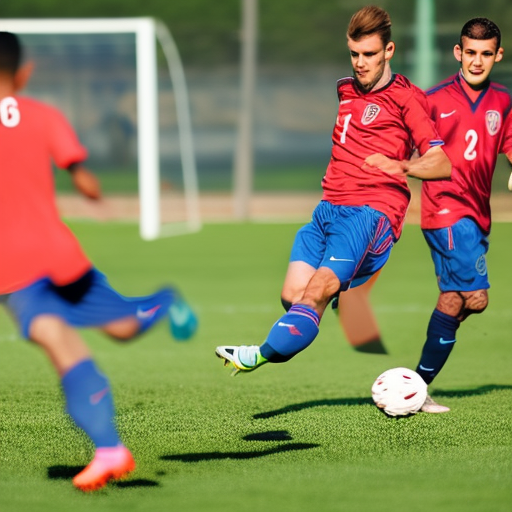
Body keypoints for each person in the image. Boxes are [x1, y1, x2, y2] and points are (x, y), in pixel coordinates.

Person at [0, 32, 197, 492]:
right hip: (58, 253)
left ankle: (110, 449)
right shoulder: (44, 115)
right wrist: (92, 192)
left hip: (13, 268)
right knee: (121, 328)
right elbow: (83, 178)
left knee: (58, 340)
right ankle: (162, 304)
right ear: (24, 74)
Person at [215, 7, 451, 378]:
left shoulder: (408, 98)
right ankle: (343, 289)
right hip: (327, 211)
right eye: (354, 54)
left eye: (369, 55)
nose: (360, 63)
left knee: (315, 294)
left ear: (389, 51)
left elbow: (441, 163)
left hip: (369, 215)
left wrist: (403, 166)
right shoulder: (344, 89)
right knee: (293, 297)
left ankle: (255, 355)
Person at [413, 18, 512, 413]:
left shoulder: (503, 100)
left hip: (476, 214)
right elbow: (410, 148)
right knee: (477, 297)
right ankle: (415, 383)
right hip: (446, 209)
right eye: (470, 52)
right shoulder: (433, 100)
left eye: (485, 54)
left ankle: (414, 386)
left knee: (455, 300)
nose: (476, 61)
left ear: (498, 56)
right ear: (458, 52)